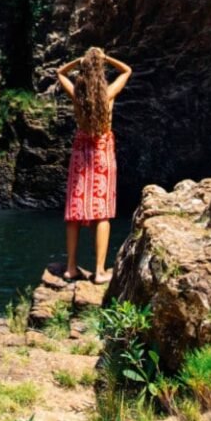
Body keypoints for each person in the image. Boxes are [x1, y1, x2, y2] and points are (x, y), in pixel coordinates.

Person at [56, 47, 132, 284]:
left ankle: (70, 268)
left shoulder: (77, 95)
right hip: (101, 151)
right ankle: (99, 271)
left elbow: (59, 73)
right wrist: (106, 58)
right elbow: (127, 70)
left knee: (75, 209)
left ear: (84, 70)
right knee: (102, 211)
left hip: (81, 151)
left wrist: (79, 62)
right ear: (100, 70)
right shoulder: (108, 94)